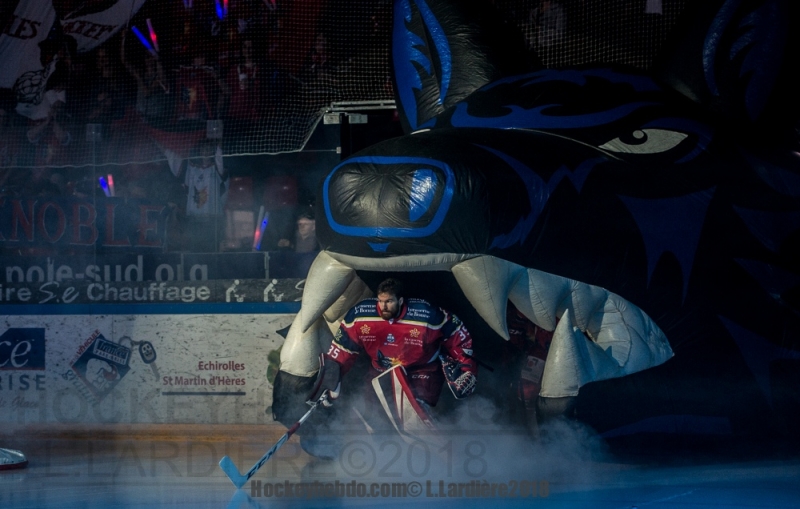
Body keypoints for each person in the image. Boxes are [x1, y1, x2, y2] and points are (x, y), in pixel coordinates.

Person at [310, 278, 478, 421]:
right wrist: (330, 380)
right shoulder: (359, 315)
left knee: (417, 411)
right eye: (380, 301)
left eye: (389, 301)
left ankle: (427, 430)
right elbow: (342, 349)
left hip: (421, 369)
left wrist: (467, 368)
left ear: (401, 300)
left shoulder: (427, 314)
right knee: (373, 414)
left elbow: (457, 334)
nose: (383, 306)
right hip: (380, 371)